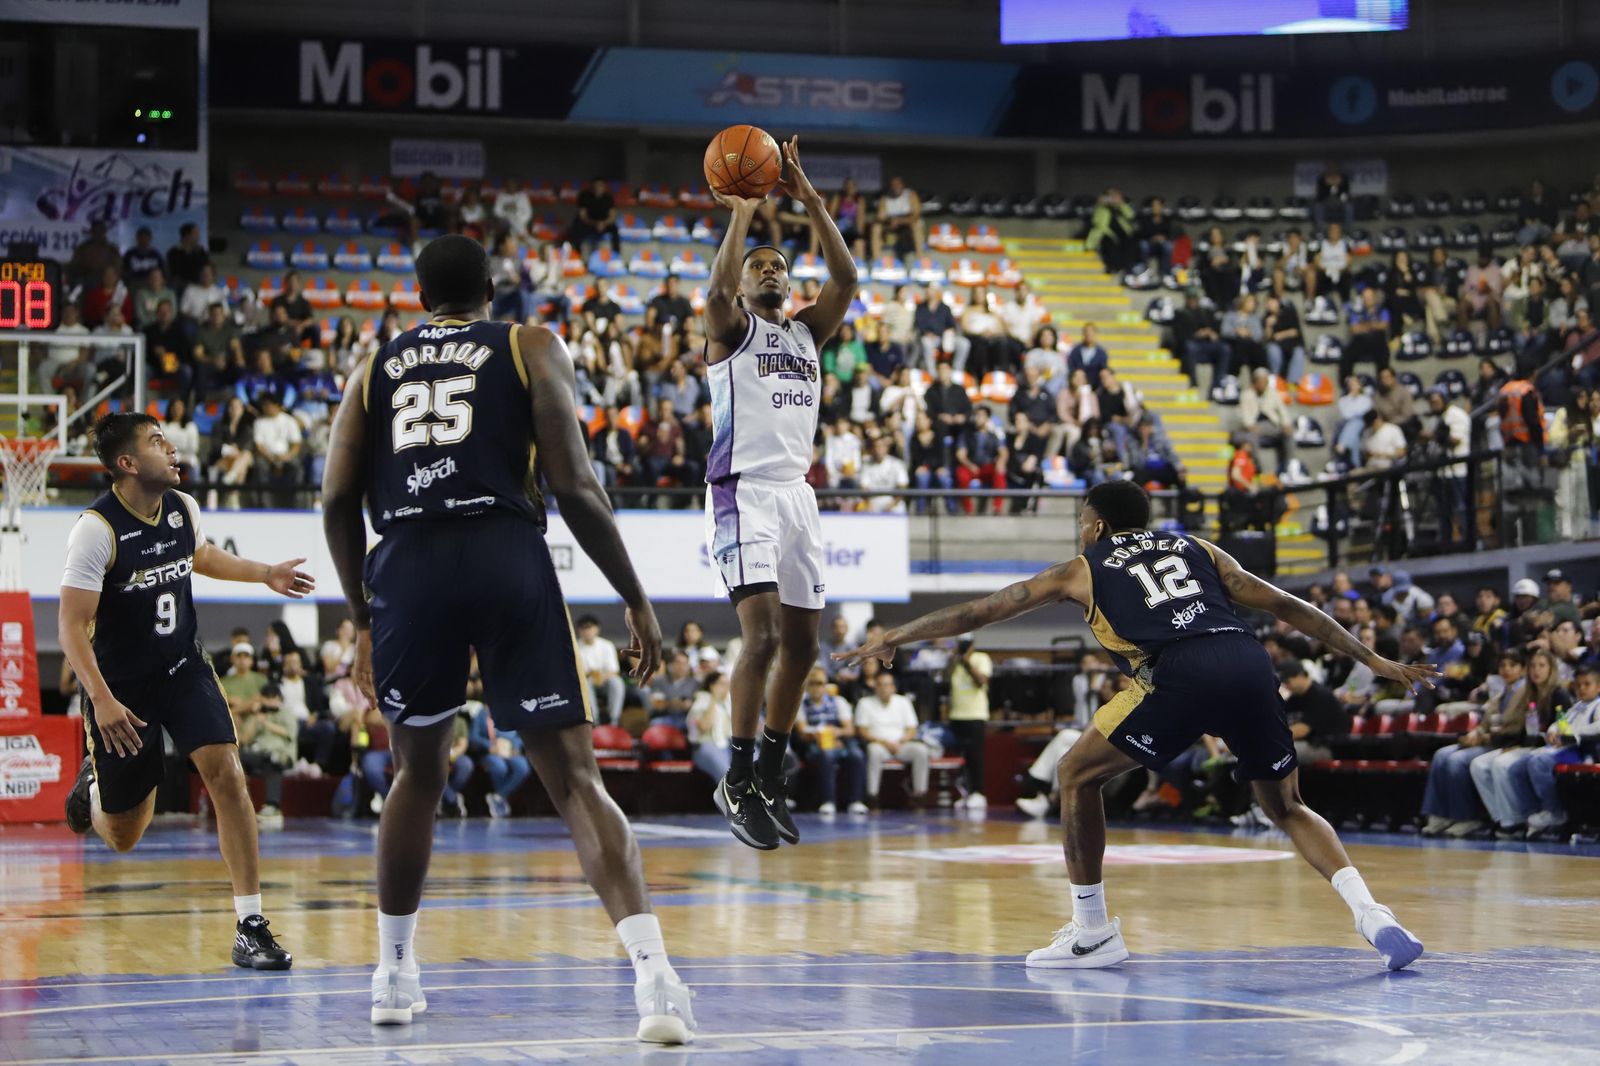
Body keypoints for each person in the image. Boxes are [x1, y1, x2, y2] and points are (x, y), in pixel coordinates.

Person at [320, 233, 693, 1040]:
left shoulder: (373, 365)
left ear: (418, 297)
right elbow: (576, 485)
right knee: (574, 783)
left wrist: (362, 613)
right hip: (503, 551)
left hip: (408, 564)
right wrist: (633, 594)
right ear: (492, 288)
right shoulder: (527, 344)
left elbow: (334, 500)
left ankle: (391, 974)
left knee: (415, 777)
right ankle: (656, 983)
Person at [836, 480, 1433, 972]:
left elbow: (987, 608)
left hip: (1177, 670)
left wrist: (896, 634)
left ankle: (1092, 931)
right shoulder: (1197, 547)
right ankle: (1372, 914)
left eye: (1081, 524)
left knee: (1074, 774)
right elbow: (1287, 605)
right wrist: (1372, 660)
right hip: (1248, 662)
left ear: (1095, 527)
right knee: (1287, 806)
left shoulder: (1082, 567)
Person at [60, 413, 314, 971]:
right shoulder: (96, 530)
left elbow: (200, 556)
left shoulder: (182, 508)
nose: (172, 449)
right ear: (127, 464)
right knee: (125, 835)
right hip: (120, 689)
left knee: (226, 771)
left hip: (183, 667)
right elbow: (71, 627)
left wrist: (263, 573)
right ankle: (95, 793)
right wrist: (101, 700)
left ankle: (250, 925)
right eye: (157, 443)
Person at [700, 137, 857, 851]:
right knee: (759, 637)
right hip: (743, 492)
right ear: (743, 282)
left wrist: (812, 202)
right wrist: (742, 212)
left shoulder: (804, 333)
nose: (771, 273)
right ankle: (734, 777)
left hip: (797, 496)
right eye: (759, 267)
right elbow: (712, 292)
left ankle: (769, 767)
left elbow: (847, 279)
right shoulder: (731, 329)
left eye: (779, 267)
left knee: (803, 645)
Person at [794, 667, 867, 814]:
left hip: (839, 743)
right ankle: (829, 801)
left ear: (826, 684)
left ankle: (855, 801)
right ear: (807, 685)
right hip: (814, 746)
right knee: (827, 755)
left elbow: (849, 729)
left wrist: (835, 733)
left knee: (857, 755)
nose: (817, 687)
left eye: (820, 683)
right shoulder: (800, 704)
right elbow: (802, 731)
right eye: (813, 683)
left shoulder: (838, 702)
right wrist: (821, 735)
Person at [946, 636, 992, 809]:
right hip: (956, 715)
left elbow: (981, 681)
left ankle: (978, 792)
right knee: (961, 757)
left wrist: (967, 662)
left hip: (975, 715)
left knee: (975, 756)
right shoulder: (954, 662)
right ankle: (965, 792)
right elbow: (944, 680)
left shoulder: (981, 658)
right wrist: (953, 659)